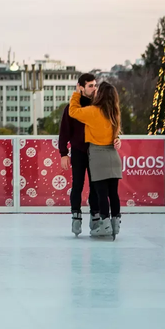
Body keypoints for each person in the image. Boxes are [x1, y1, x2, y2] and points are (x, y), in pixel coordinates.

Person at [68, 81, 123, 239]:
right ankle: (115, 223)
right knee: (113, 193)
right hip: (113, 156)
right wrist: (117, 139)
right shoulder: (114, 113)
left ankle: (104, 223)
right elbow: (114, 135)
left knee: (101, 193)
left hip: (98, 156)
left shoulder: (93, 111)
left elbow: (73, 112)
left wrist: (77, 93)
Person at [59, 73, 100, 236]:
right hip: (78, 151)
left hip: (96, 150)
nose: (94, 89)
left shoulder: (98, 106)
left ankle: (95, 215)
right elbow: (64, 132)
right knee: (78, 185)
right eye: (90, 86)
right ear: (81, 88)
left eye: (95, 85)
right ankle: (76, 215)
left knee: (96, 185)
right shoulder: (72, 108)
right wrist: (63, 153)